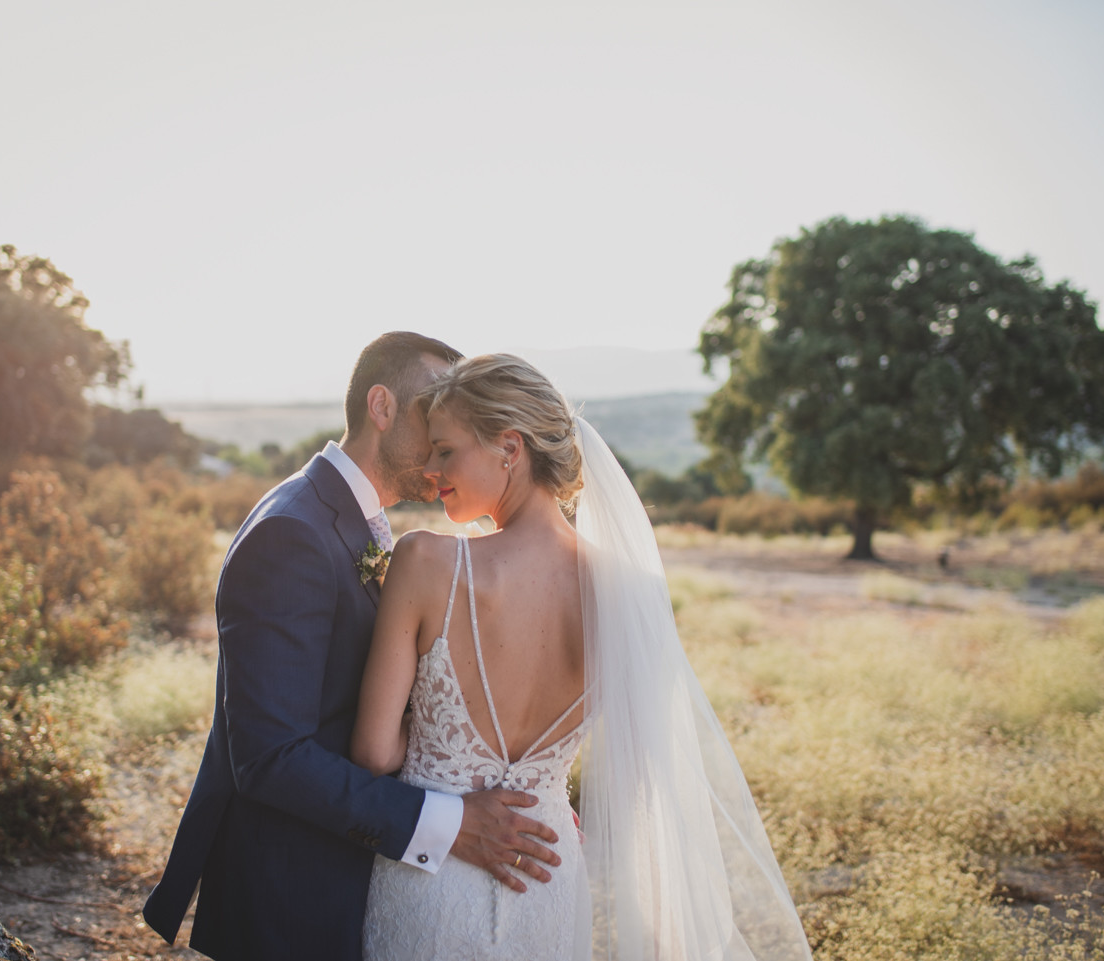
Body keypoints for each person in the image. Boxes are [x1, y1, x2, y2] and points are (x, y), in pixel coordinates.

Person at [351, 354, 815, 960]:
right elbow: (636, 768)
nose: (432, 470)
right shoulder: (629, 592)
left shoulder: (426, 563)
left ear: (508, 448)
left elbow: (372, 752)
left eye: (445, 450)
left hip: (431, 881)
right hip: (545, 873)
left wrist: (429, 727)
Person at [143, 334, 564, 961]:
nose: (447, 429)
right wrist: (452, 824)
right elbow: (269, 756)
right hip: (294, 895)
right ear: (382, 406)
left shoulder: (357, 520)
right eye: (434, 412)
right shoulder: (292, 532)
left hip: (358, 876)